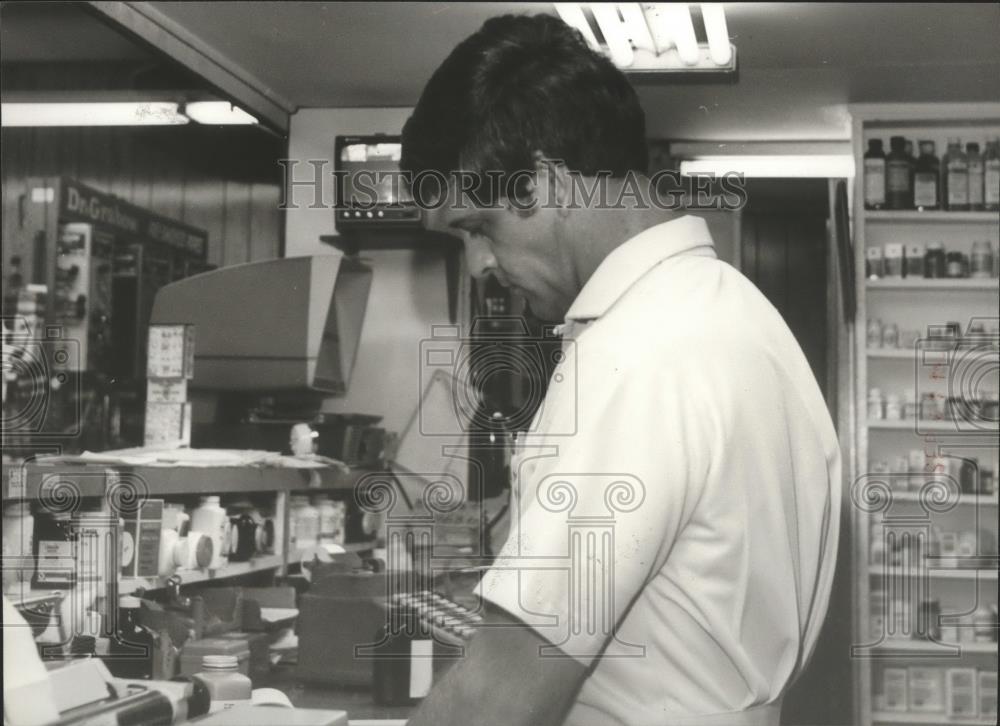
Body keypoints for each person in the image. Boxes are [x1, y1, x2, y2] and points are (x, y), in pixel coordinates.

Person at [399, 13, 841, 726]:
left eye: (479, 228)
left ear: (543, 182)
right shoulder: (738, 313)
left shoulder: (634, 357)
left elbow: (498, 702)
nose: (480, 264)